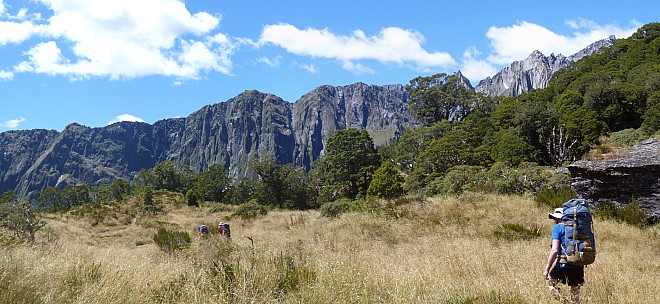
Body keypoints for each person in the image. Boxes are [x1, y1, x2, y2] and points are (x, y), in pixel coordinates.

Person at [543, 207, 585, 304]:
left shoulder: (558, 228)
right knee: (575, 294)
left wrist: (547, 269)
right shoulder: (578, 227)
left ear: (558, 218)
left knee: (550, 284)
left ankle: (564, 302)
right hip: (578, 264)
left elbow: (554, 250)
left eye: (555, 218)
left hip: (562, 265)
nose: (554, 220)